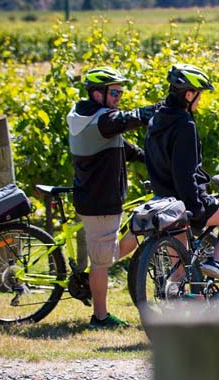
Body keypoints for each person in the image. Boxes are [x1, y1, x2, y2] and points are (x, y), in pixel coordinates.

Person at [67, 66, 157, 329]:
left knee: (107, 255)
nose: (119, 96)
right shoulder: (102, 120)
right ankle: (100, 317)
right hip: (100, 202)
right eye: (114, 92)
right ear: (97, 94)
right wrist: (164, 107)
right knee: (102, 262)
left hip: (96, 199)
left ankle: (97, 289)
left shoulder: (91, 118)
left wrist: (152, 160)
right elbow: (129, 119)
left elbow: (125, 148)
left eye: (120, 91)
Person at [144, 64, 219, 283]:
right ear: (189, 94)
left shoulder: (156, 118)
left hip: (164, 203)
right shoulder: (185, 124)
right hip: (186, 203)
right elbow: (185, 173)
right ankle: (217, 260)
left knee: (179, 270)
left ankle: (176, 308)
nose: (199, 100)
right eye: (198, 95)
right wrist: (197, 209)